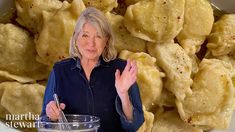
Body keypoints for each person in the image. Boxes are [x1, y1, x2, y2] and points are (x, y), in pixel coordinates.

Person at [40, 7, 144, 132]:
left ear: (106, 41)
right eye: (85, 35)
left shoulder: (122, 70)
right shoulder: (60, 71)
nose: (91, 43)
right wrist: (51, 116)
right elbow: (44, 122)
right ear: (75, 38)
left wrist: (123, 94)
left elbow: (134, 126)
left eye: (98, 36)